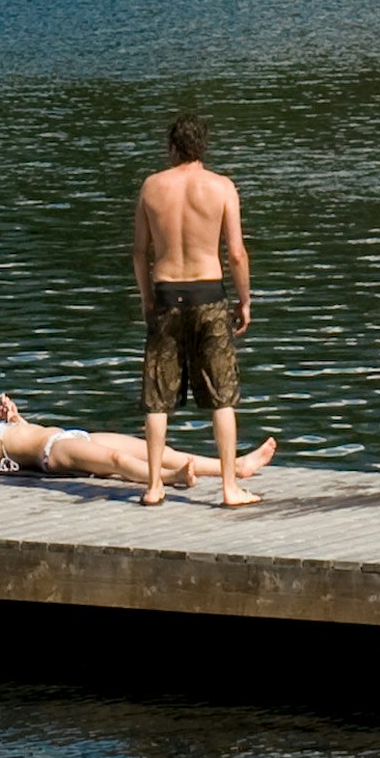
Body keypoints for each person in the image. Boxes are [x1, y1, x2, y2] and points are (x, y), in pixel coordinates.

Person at [132, 115, 256, 509]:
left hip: (167, 295)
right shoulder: (221, 187)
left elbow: (139, 252)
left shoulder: (152, 187)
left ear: (172, 148)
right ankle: (229, 488)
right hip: (208, 295)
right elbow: (235, 253)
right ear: (202, 147)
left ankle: (154, 486)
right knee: (222, 396)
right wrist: (245, 299)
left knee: (157, 397)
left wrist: (146, 297)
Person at [0, 385, 276, 494]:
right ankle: (167, 479)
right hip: (54, 453)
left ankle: (235, 467)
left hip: (70, 436)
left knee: (155, 449)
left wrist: (14, 418)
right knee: (116, 463)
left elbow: (24, 435)